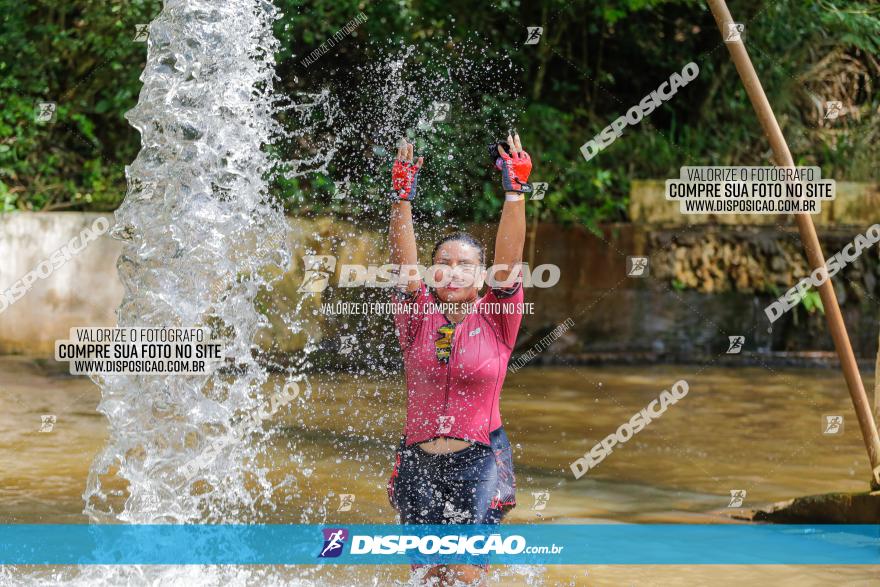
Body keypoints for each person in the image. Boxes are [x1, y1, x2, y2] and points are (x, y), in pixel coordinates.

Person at [385, 133, 533, 585]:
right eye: (443, 261)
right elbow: (401, 261)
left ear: (480, 275)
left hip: (481, 461)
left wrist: (515, 193)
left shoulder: (497, 316)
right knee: (428, 577)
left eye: (465, 263)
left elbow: (509, 260)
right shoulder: (415, 316)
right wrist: (401, 199)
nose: (452, 269)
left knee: (466, 574)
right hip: (418, 463)